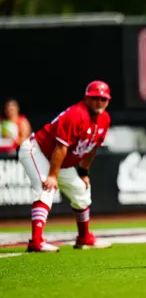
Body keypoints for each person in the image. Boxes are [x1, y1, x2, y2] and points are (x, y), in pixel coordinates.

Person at [18, 80, 113, 252]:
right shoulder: (76, 115)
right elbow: (60, 147)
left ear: (108, 101)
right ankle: (36, 241)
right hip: (37, 151)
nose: (99, 102)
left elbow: (92, 149)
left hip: (59, 161)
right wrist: (52, 176)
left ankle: (84, 238)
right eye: (95, 98)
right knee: (45, 187)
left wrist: (83, 172)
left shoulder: (104, 119)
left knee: (81, 191)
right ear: (86, 98)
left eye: (103, 99)